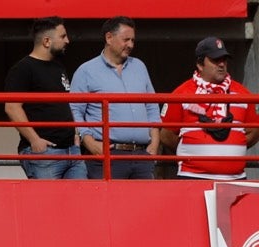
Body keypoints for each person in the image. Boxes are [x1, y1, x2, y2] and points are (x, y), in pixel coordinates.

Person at [70, 17, 159, 179]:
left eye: (132, 40)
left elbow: (151, 106)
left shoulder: (139, 66)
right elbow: (74, 110)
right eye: (126, 39)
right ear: (109, 37)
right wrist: (89, 142)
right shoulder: (86, 71)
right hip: (107, 155)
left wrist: (154, 143)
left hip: (142, 154)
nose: (131, 45)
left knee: (146, 204)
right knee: (108, 204)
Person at [160, 36, 256, 181]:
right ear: (200, 64)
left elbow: (254, 131)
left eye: (224, 59)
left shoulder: (243, 93)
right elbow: (167, 136)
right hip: (192, 177)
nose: (222, 64)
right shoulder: (182, 93)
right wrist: (192, 152)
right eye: (215, 60)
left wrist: (231, 146)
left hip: (235, 179)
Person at [3, 16, 81, 179]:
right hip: (45, 153)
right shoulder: (23, 69)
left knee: (81, 202)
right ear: (47, 41)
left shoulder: (58, 66)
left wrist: (75, 134)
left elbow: (65, 102)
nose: (67, 41)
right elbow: (12, 107)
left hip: (72, 151)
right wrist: (35, 140)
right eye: (62, 36)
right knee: (46, 203)